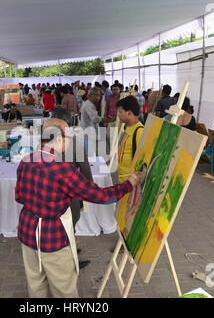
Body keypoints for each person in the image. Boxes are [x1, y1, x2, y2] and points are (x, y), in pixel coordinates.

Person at [15, 118, 145, 298]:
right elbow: (101, 196)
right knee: (64, 290)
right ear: (59, 139)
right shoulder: (62, 168)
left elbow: (19, 196)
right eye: (68, 137)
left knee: (36, 285)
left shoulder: (25, 161)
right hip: (52, 238)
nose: (70, 142)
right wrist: (129, 184)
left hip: (27, 232)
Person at [51, 107, 92, 269]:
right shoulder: (75, 144)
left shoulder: (45, 144)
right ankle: (69, 261)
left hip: (51, 194)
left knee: (62, 227)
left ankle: (69, 251)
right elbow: (86, 171)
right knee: (69, 225)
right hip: (70, 195)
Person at [116, 96, 145, 183]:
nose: (118, 114)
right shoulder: (127, 128)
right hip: (122, 178)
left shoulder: (139, 131)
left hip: (131, 181)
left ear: (129, 113)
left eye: (120, 112)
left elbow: (142, 160)